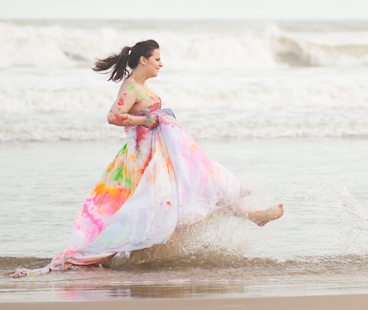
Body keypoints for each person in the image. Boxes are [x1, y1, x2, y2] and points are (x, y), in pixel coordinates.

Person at [13, 40, 283, 277]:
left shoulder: (141, 85)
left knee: (202, 183)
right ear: (143, 60)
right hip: (143, 161)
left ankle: (252, 215)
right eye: (157, 59)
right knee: (147, 208)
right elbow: (113, 117)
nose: (161, 64)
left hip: (159, 156)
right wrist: (145, 119)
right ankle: (97, 258)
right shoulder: (131, 86)